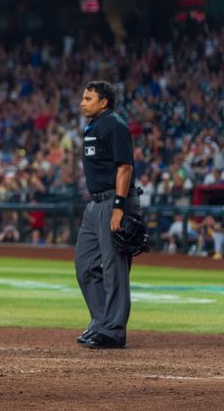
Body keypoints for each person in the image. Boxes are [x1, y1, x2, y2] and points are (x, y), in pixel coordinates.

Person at [74, 80, 140, 349]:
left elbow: (125, 168)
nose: (82, 102)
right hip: (95, 204)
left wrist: (118, 206)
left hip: (113, 200)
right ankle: (101, 321)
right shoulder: (94, 126)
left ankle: (113, 329)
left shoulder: (114, 125)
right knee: (85, 264)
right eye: (83, 97)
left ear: (104, 102)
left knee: (114, 268)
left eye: (88, 98)